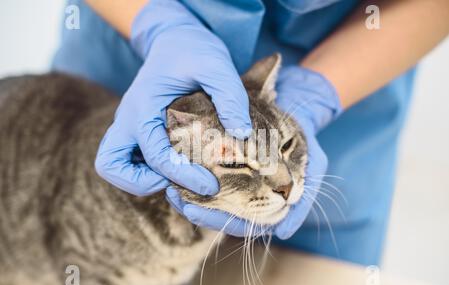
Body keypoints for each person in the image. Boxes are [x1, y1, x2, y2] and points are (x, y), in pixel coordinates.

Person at [53, 0, 449, 266]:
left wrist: (317, 93)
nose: (284, 183)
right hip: (128, 44)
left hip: (354, 59)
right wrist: (158, 23)